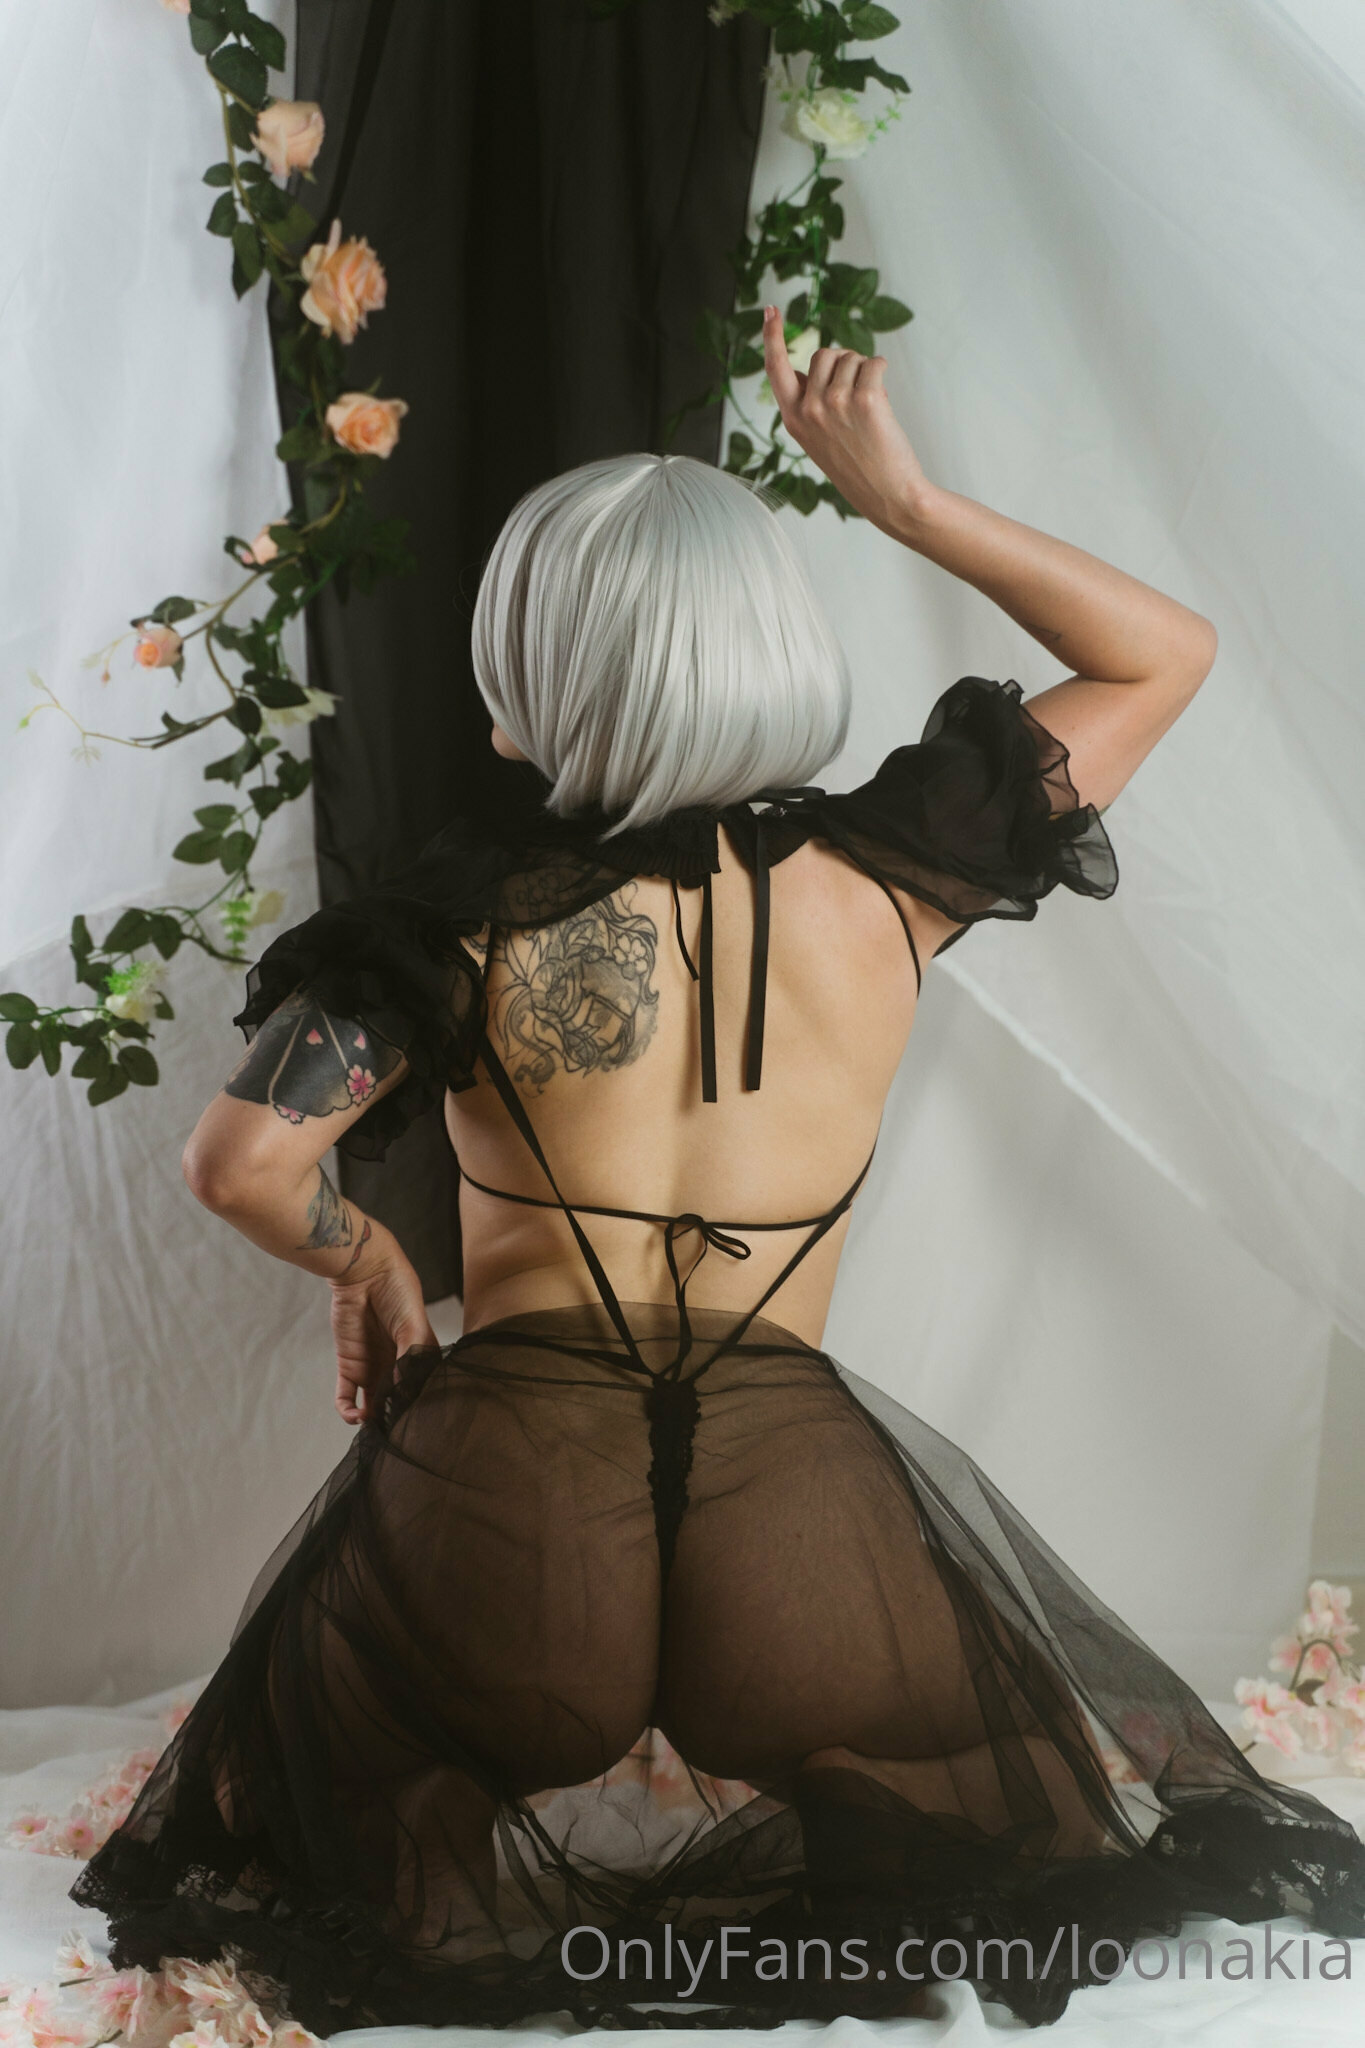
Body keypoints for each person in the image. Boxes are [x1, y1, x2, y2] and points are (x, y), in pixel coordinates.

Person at [71, 310, 1365, 2032]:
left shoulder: (451, 919)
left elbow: (239, 1163)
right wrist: (904, 505)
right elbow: (1161, 656)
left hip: (514, 1532)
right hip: (797, 1539)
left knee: (332, 1825)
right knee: (978, 1840)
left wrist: (370, 1261)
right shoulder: (894, 877)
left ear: (531, 675)